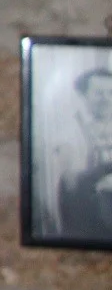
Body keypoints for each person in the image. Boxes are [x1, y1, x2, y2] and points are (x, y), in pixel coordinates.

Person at [53, 66, 112, 241]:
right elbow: (71, 181)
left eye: (111, 93)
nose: (106, 99)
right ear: (83, 95)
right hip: (85, 210)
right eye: (99, 93)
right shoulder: (69, 129)